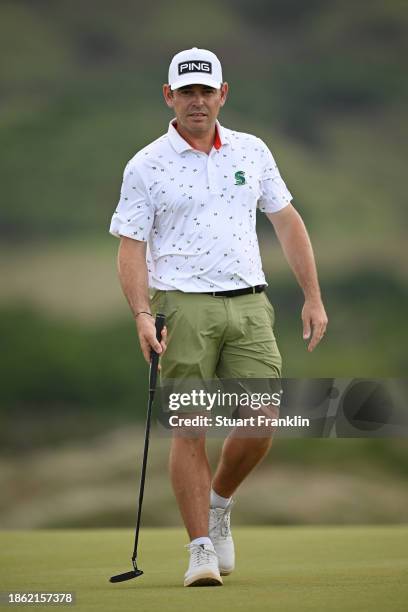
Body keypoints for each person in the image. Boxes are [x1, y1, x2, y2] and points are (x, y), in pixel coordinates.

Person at [109, 47, 328, 587]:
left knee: (260, 423)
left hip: (251, 301)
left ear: (223, 94)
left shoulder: (252, 151)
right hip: (181, 305)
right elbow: (130, 246)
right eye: (187, 91)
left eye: (207, 90)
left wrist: (313, 296)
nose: (198, 100)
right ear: (169, 97)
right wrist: (141, 312)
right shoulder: (146, 164)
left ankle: (219, 504)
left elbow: (287, 220)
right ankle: (200, 549)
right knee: (190, 429)